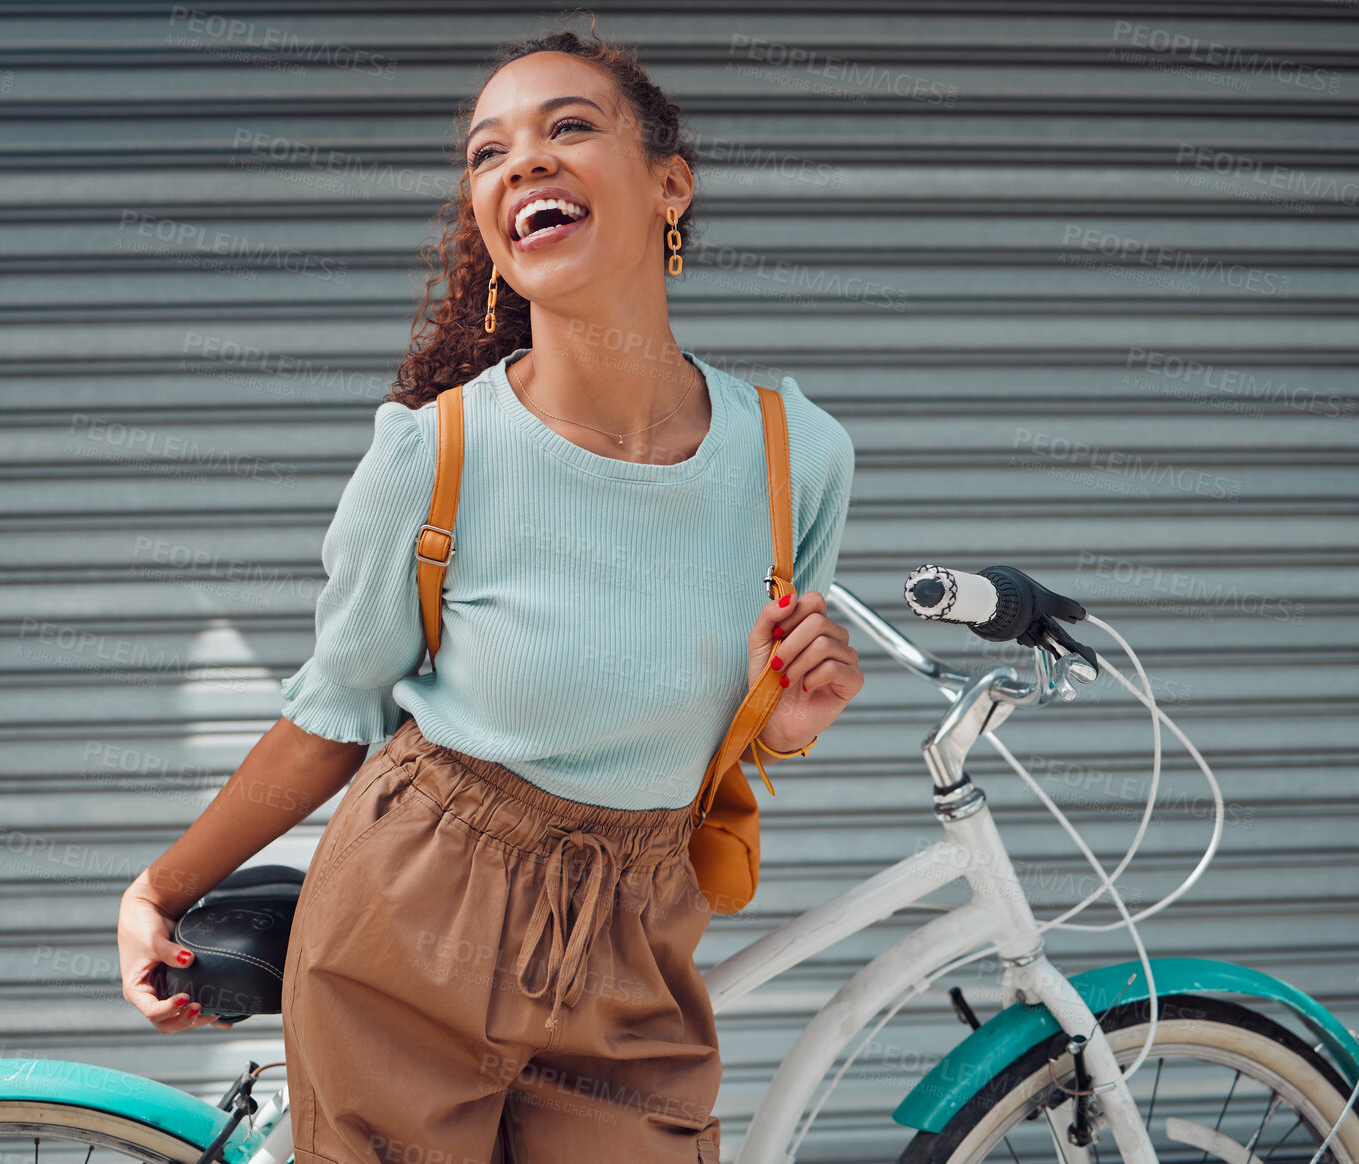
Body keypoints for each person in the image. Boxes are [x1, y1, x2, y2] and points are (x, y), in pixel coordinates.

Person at [117, 17, 862, 1163]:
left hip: (637, 941)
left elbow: (692, 714)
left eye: (570, 128)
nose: (522, 162)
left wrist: (789, 726)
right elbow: (335, 711)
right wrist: (161, 888)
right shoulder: (434, 456)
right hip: (411, 921)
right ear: (490, 223)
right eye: (487, 151)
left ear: (671, 185)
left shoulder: (793, 454)